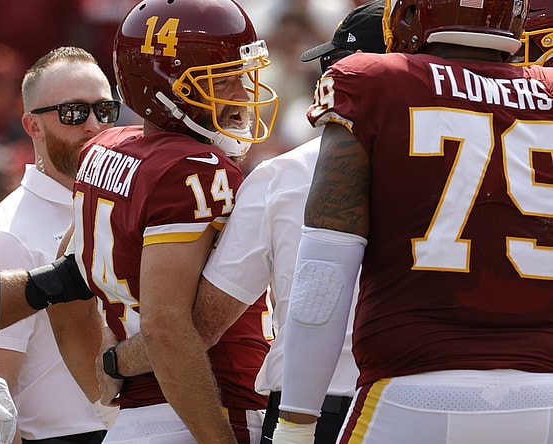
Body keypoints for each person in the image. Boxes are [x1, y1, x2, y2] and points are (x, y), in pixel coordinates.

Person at [275, 0, 553, 443]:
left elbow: (323, 272)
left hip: (410, 391)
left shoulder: (372, 81)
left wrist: (296, 421)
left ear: (407, 13)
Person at [69, 0, 278, 442]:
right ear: (165, 89)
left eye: (242, 76)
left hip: (140, 415)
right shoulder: (196, 168)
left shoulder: (106, 148)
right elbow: (166, 327)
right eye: (223, 81)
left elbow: (67, 274)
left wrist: (109, 359)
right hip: (204, 408)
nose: (243, 93)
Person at [194, 3, 386, 444]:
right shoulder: (470, 160)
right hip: (413, 398)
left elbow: (206, 322)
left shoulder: (280, 176)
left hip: (310, 407)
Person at [0, 46, 117, 444]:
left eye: (105, 110)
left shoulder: (116, 212)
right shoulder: (3, 236)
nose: (94, 126)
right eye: (73, 113)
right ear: (32, 126)